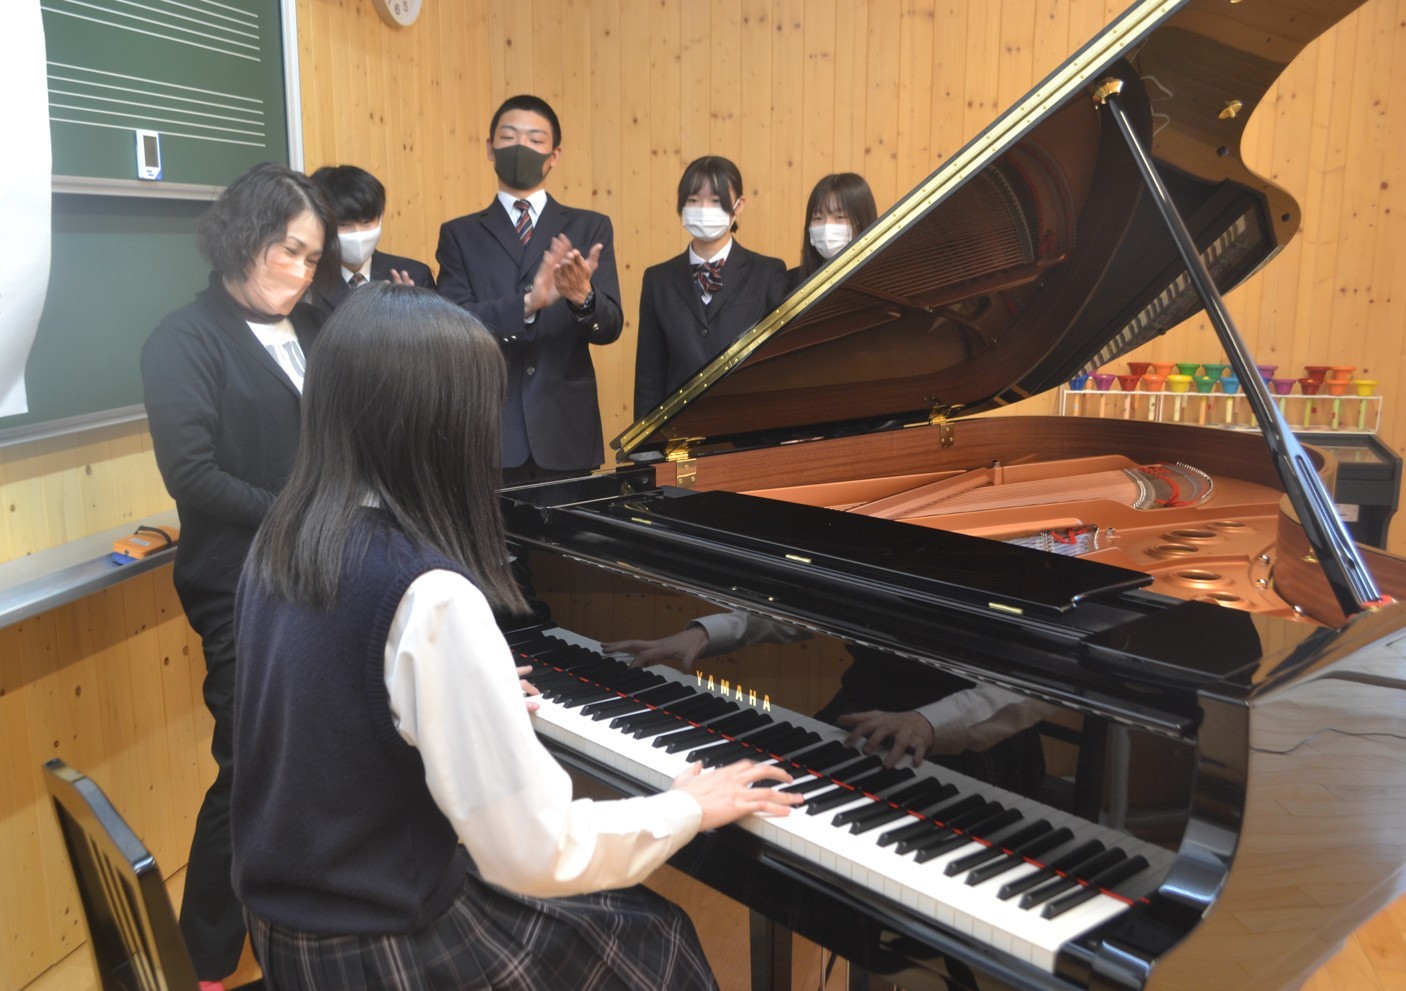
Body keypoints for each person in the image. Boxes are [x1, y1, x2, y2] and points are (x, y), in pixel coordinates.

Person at [230, 284, 801, 991]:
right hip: (383, 945)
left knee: (633, 925)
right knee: (658, 937)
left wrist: (468, 703)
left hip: (288, 927)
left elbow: (333, 705)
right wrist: (687, 805)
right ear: (438, 428)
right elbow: (537, 852)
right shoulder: (429, 593)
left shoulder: (287, 538)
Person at [141, 161, 340, 990]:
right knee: (249, 767)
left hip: (324, 570)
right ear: (243, 237)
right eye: (288, 249)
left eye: (312, 257)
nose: (300, 270)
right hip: (241, 586)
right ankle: (204, 964)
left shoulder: (316, 326)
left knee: (322, 756)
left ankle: (307, 925)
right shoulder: (184, 339)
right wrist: (302, 515)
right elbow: (193, 475)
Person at [605, 609, 1054, 793]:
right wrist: (706, 633)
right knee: (767, 809)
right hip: (859, 715)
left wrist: (929, 722)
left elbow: (1038, 683)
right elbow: (803, 605)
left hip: (972, 737)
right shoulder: (880, 528)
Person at [435, 94, 623, 484]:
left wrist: (583, 299)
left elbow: (609, 328)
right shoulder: (460, 234)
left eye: (535, 140)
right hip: (488, 431)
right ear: (490, 148)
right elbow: (452, 326)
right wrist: (527, 304)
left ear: (555, 155)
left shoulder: (590, 226)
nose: (521, 147)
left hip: (564, 429)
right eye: (509, 137)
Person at [633, 156, 791, 418]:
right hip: (680, 427)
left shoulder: (767, 273)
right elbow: (649, 374)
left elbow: (782, 364)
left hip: (750, 422)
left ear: (739, 205)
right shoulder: (657, 279)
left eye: (716, 201)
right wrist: (646, 439)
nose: (704, 209)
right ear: (681, 205)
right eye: (694, 200)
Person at [307, 164, 434, 317]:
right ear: (321, 222)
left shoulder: (416, 275)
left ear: (380, 217)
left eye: (366, 222)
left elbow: (438, 330)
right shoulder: (306, 281)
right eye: (344, 225)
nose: (358, 233)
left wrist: (407, 317)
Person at [793, 172, 879, 286]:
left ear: (862, 220)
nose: (827, 226)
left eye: (840, 217)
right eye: (818, 218)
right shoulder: (793, 282)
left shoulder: (884, 282)